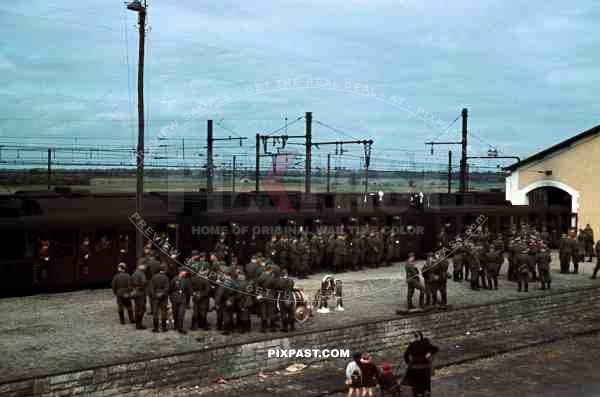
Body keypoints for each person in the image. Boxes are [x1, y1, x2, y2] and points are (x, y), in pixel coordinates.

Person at [402, 332, 439, 397]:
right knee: (426, 383)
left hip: (414, 367)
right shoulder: (425, 343)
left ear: (415, 337)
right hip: (425, 367)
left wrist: (408, 363)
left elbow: (405, 355)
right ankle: (427, 393)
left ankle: (418, 394)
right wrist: (427, 355)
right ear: (421, 336)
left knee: (416, 383)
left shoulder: (412, 344)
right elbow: (435, 349)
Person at [149, 263, 170, 332]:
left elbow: (151, 288)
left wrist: (155, 295)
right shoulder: (166, 278)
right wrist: (162, 294)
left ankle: (156, 328)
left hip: (155, 297)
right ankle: (164, 328)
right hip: (163, 297)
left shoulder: (153, 277)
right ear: (164, 270)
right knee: (164, 312)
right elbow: (167, 288)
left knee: (155, 312)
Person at [130, 260, 148, 330]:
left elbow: (130, 283)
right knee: (142, 309)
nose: (145, 267)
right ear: (140, 266)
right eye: (144, 265)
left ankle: (137, 323)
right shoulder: (141, 273)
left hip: (135, 292)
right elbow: (144, 282)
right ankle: (139, 324)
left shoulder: (134, 273)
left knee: (137, 308)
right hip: (141, 293)